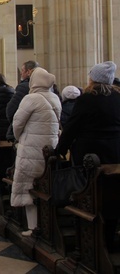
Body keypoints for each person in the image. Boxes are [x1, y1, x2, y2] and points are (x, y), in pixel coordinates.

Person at [57, 62, 120, 250]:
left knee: (88, 196)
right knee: (111, 197)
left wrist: (60, 149)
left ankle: (88, 241)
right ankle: (109, 238)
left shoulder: (87, 99)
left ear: (94, 79)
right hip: (115, 153)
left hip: (90, 155)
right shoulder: (118, 97)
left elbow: (72, 127)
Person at [10, 67, 61, 236]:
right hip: (50, 148)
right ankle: (48, 227)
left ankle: (33, 227)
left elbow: (17, 123)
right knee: (45, 186)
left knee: (27, 186)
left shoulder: (30, 99)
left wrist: (19, 138)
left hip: (31, 149)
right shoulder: (55, 98)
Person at [6, 61, 39, 141]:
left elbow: (10, 110)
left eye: (22, 70)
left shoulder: (23, 87)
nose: (21, 73)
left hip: (26, 132)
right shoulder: (50, 89)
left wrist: (16, 125)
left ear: (29, 72)